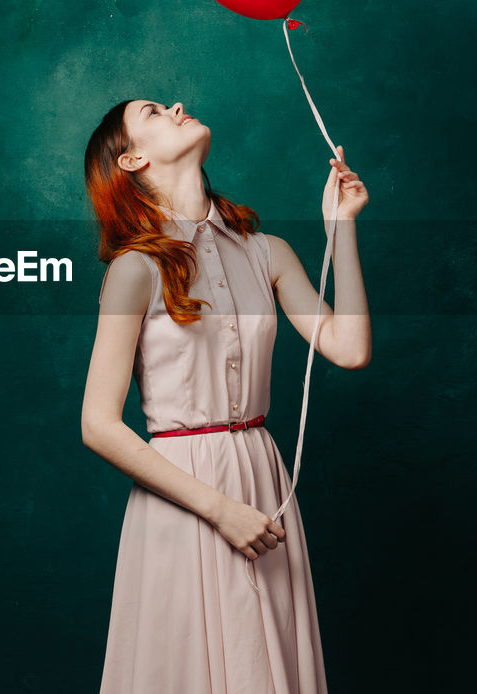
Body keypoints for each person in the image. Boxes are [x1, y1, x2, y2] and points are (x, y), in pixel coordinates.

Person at [81, 98, 371, 693]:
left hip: (261, 482)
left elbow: (350, 347)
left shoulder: (266, 251)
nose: (177, 106)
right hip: (185, 495)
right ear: (131, 159)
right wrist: (219, 510)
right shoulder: (135, 268)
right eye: (156, 111)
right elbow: (97, 424)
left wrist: (341, 231)